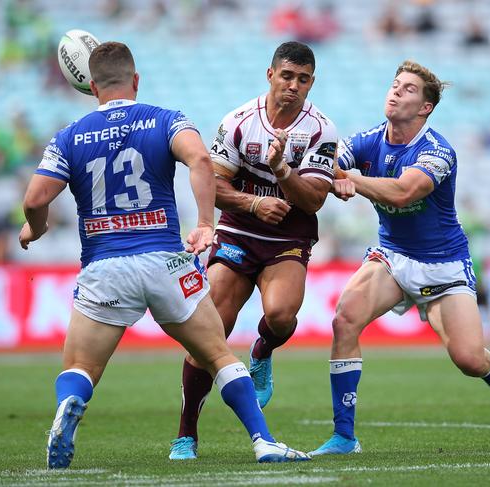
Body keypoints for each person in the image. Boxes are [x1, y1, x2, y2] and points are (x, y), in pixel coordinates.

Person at [18, 41, 310, 468]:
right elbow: (200, 161)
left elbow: (35, 197)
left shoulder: (70, 136)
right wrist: (206, 223)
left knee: (81, 366)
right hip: (165, 262)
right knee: (218, 354)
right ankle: (264, 441)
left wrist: (36, 228)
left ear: (91, 87)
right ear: (135, 80)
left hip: (104, 267)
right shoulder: (165, 119)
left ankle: (69, 411)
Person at [309, 60, 490, 456]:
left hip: (443, 264)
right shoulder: (367, 139)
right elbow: (327, 162)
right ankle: (345, 437)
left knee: (467, 359)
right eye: (394, 85)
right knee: (345, 318)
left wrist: (350, 180)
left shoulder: (438, 150)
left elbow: (403, 192)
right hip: (393, 256)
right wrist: (328, 170)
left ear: (425, 107)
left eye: (408, 89)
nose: (395, 92)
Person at [169, 41, 338, 460]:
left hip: (287, 237)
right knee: (209, 334)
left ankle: (262, 350)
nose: (293, 86)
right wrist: (254, 203)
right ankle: (186, 433)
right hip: (240, 232)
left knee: (281, 316)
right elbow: (215, 184)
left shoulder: (321, 130)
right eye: (286, 76)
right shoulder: (239, 122)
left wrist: (282, 170)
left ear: (311, 83)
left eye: (302, 80)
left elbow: (315, 199)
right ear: (270, 74)